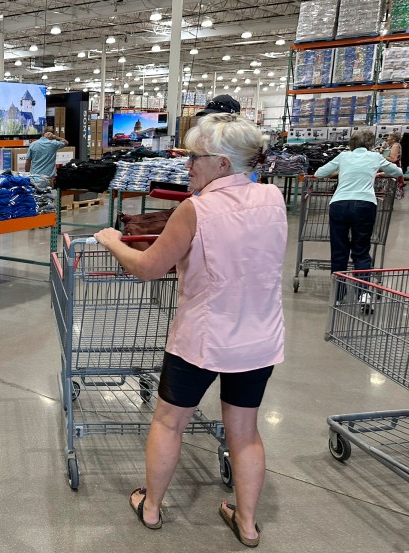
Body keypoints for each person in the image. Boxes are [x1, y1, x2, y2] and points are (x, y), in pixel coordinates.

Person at [94, 113, 287, 548]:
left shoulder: (195, 209)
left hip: (201, 339)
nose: (187, 166)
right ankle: (248, 523)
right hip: (258, 337)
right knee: (244, 430)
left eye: (195, 157)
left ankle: (151, 506)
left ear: (222, 163)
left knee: (169, 422)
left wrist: (113, 241)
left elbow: (147, 268)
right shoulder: (273, 197)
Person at [315, 129, 403, 302]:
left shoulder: (343, 156)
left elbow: (319, 173)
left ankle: (339, 295)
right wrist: (378, 173)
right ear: (370, 144)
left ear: (352, 143)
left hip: (339, 205)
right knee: (361, 252)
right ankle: (363, 294)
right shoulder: (375, 157)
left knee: (339, 251)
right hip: (365, 205)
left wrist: (341, 173)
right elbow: (397, 172)